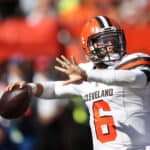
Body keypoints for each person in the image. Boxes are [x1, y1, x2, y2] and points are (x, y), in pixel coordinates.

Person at [6, 16, 150, 150]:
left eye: (114, 39)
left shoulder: (135, 61)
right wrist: (30, 88)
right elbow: (56, 89)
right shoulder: (85, 71)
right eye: (104, 42)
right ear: (88, 45)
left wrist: (88, 76)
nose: (111, 46)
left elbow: (135, 78)